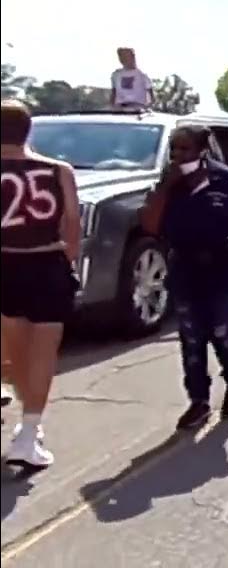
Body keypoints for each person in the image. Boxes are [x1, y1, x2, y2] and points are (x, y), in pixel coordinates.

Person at [140, 125, 228, 430]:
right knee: (191, 335)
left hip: (224, 265)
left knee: (220, 329)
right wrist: (166, 187)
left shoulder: (226, 179)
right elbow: (151, 225)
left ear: (202, 150)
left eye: (185, 149)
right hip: (185, 266)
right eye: (174, 150)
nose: (178, 155)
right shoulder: (168, 183)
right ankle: (198, 401)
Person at [0, 101, 80, 468]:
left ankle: (28, 429)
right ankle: (29, 433)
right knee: (43, 351)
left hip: (5, 261)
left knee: (15, 350)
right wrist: (69, 262)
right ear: (28, 130)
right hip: (47, 261)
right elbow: (72, 224)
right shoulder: (58, 170)